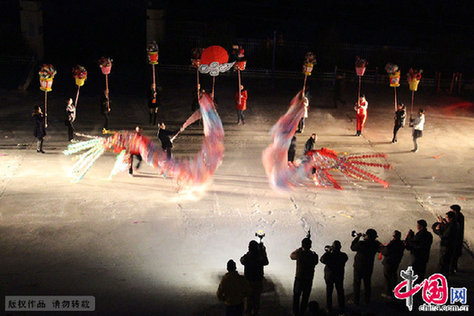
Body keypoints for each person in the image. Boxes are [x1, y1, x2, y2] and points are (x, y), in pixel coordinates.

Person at [350, 228, 382, 305]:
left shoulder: (361, 243)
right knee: (367, 284)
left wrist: (357, 237)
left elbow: (352, 247)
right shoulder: (375, 244)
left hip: (358, 267)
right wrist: (371, 239)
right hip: (369, 267)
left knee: (357, 284)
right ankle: (367, 300)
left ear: (368, 236)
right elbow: (380, 247)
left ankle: (356, 301)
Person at [290, 237, 319, 316]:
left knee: (296, 297)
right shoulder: (313, 255)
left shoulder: (299, 253)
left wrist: (300, 249)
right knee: (305, 297)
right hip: (308, 279)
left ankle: (295, 312)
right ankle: (302, 312)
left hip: (299, 278)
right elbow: (316, 261)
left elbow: (291, 256)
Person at [240, 240, 269, 316]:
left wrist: (249, 253)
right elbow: (266, 262)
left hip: (248, 282)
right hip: (257, 282)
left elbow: (241, 260)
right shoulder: (260, 258)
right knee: (256, 301)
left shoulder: (247, 257)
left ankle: (248, 313)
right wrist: (263, 251)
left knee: (248, 301)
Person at [320, 240, 348, 312]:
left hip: (329, 276)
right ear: (340, 247)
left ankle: (329, 308)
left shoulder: (329, 255)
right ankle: (342, 307)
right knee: (340, 291)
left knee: (329, 292)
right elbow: (345, 259)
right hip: (339, 276)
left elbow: (322, 259)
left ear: (333, 247)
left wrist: (328, 251)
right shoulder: (343, 255)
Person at [432, 211, 459, 277]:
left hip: (447, 246)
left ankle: (441, 277)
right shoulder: (454, 224)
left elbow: (444, 235)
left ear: (451, 218)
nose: (445, 219)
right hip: (450, 245)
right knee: (446, 262)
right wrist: (442, 222)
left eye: (447, 217)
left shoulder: (452, 226)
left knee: (443, 262)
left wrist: (438, 229)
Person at [380, 230, 405, 299]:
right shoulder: (401, 244)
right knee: (393, 276)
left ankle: (388, 293)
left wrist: (382, 248)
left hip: (389, 262)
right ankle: (395, 291)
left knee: (387, 277)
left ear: (393, 236)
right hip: (396, 262)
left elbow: (385, 252)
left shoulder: (392, 243)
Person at [450, 204, 464, 273]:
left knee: (453, 255)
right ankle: (454, 268)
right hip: (458, 240)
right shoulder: (460, 216)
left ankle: (452, 269)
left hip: (455, 240)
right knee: (455, 256)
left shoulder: (457, 219)